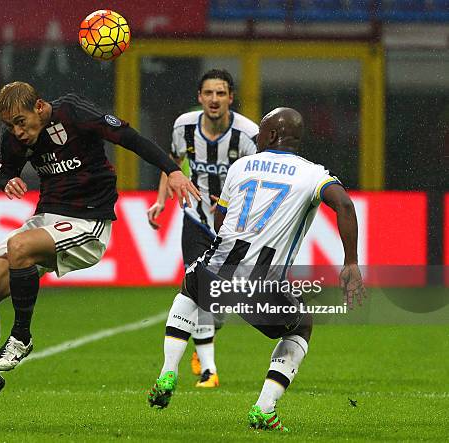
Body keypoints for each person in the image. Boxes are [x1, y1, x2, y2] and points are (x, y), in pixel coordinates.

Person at [0, 81, 200, 411]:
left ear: (39, 107)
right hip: (47, 219)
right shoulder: (15, 137)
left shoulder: (74, 113)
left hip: (88, 221)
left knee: (18, 245)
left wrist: (172, 171)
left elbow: (131, 139)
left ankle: (21, 337)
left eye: (20, 122)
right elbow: (4, 170)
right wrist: (7, 180)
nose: (17, 132)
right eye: (10, 126)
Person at [147, 107, 366, 432]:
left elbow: (221, 221)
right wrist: (350, 262)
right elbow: (345, 205)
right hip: (260, 285)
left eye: (262, 132)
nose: (257, 137)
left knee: (190, 286)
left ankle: (168, 370)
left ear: (274, 136)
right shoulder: (312, 173)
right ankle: (265, 407)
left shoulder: (241, 166)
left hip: (216, 269)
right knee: (300, 326)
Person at [147, 69, 258, 388]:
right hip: (195, 217)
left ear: (230, 99)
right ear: (199, 97)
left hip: (234, 225)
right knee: (199, 289)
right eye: (208, 93)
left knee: (220, 301)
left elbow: (258, 182)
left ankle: (204, 339)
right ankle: (209, 370)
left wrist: (231, 205)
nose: (214, 99)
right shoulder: (184, 126)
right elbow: (172, 164)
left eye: (220, 93)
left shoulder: (247, 135)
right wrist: (160, 201)